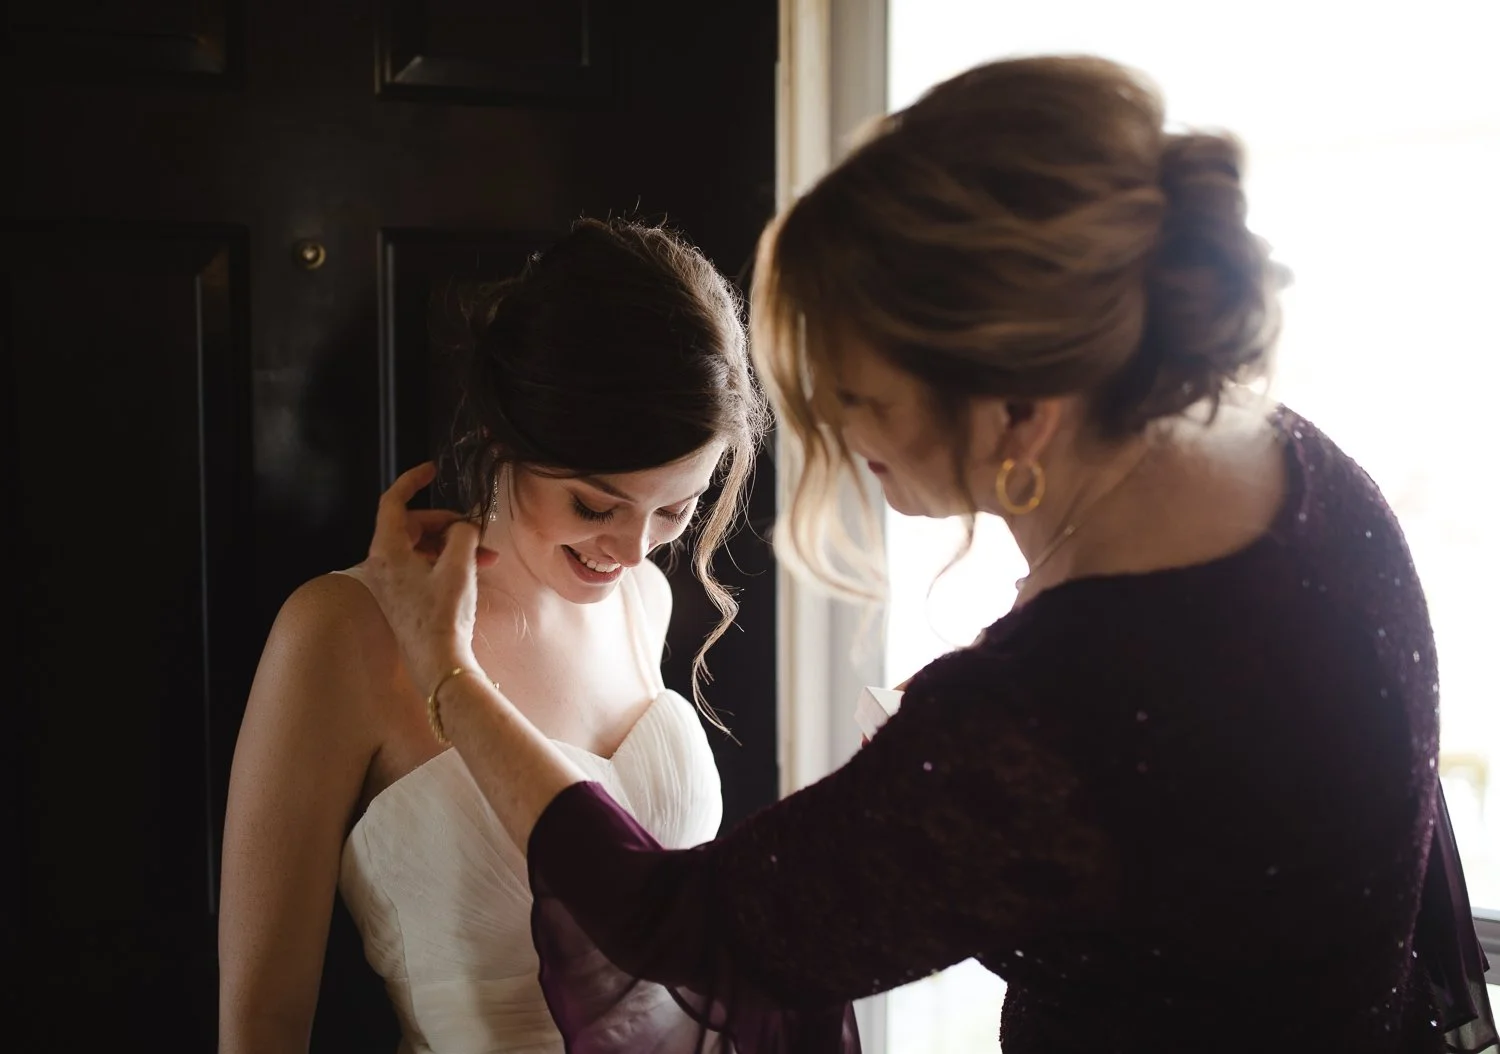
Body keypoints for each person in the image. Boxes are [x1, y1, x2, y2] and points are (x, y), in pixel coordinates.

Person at [355, 56, 1497, 1054]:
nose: (839, 435)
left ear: (1017, 412)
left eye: (862, 396)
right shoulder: (1305, 469)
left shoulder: (1051, 706)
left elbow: (690, 930)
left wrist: (446, 671)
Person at [217, 218, 769, 1053]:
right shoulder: (339, 633)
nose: (631, 551)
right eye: (595, 505)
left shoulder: (643, 602)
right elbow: (262, 1022)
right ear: (504, 436)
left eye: (674, 509)